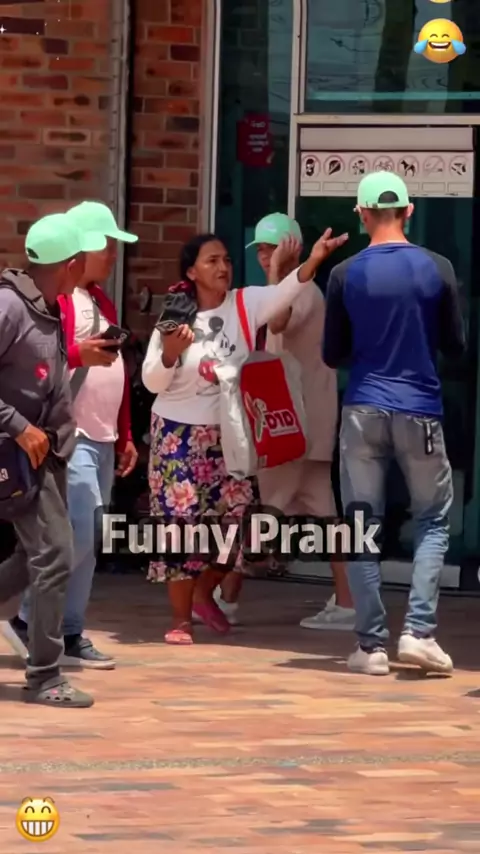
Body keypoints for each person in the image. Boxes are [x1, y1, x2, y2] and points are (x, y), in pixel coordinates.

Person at [142, 228, 348, 645]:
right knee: (180, 528)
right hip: (177, 435)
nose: (223, 267)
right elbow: (151, 381)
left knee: (242, 524)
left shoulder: (244, 303)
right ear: (192, 272)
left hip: (230, 434)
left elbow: (286, 292)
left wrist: (314, 260)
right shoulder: (176, 316)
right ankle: (181, 620)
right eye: (212, 261)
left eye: (226, 260)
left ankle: (205, 591)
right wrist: (169, 353)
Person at [323, 171, 466, 676]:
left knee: (362, 527)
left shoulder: (344, 274)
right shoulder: (437, 267)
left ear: (361, 214)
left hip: (363, 407)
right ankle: (419, 633)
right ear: (409, 211)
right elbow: (456, 345)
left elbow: (331, 353)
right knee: (432, 520)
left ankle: (370, 648)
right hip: (420, 407)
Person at [11, 202, 139, 670]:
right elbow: (48, 362)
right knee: (72, 537)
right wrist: (80, 354)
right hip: (69, 436)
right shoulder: (53, 302)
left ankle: (68, 629)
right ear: (79, 250)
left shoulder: (100, 300)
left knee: (88, 538)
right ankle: (29, 622)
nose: (112, 255)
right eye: (107, 246)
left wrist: (125, 433)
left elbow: (115, 371)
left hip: (99, 436)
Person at [0, 212, 108, 706]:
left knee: (35, 557)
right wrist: (18, 427)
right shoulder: (10, 306)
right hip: (18, 452)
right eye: (82, 258)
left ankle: (44, 671)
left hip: (48, 453)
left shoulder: (46, 306)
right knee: (56, 554)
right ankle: (44, 675)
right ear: (70, 264)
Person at [243, 212, 355, 630]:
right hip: (299, 420)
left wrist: (276, 273)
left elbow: (276, 319)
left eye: (272, 249)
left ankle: (223, 596)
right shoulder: (294, 288)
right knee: (322, 512)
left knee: (267, 508)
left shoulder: (301, 291)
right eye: (261, 250)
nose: (264, 256)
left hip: (293, 422)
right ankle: (347, 600)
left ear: (292, 248)